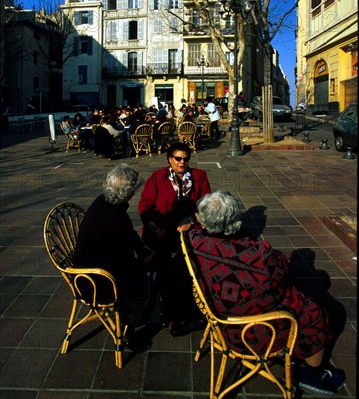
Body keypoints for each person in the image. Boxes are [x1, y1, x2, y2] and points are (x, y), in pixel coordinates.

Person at [188, 191, 346, 397]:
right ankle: (310, 371)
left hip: (218, 318)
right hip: (253, 333)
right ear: (235, 221)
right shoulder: (259, 256)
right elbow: (282, 271)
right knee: (314, 313)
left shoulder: (194, 240)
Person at [73, 165, 161, 349]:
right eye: (132, 191)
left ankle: (149, 314)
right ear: (126, 194)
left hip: (98, 265)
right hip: (95, 279)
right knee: (149, 275)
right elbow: (120, 261)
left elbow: (127, 233)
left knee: (149, 266)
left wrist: (142, 247)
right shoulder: (110, 218)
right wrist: (142, 261)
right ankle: (131, 325)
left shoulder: (107, 202)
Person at [138, 141, 211, 336]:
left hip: (188, 231)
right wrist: (154, 226)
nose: (182, 162)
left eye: (185, 159)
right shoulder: (158, 177)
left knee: (190, 267)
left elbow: (206, 206)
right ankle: (172, 316)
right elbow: (145, 206)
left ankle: (188, 311)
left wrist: (192, 221)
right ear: (170, 159)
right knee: (166, 268)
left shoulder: (199, 176)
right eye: (178, 158)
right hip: (160, 232)